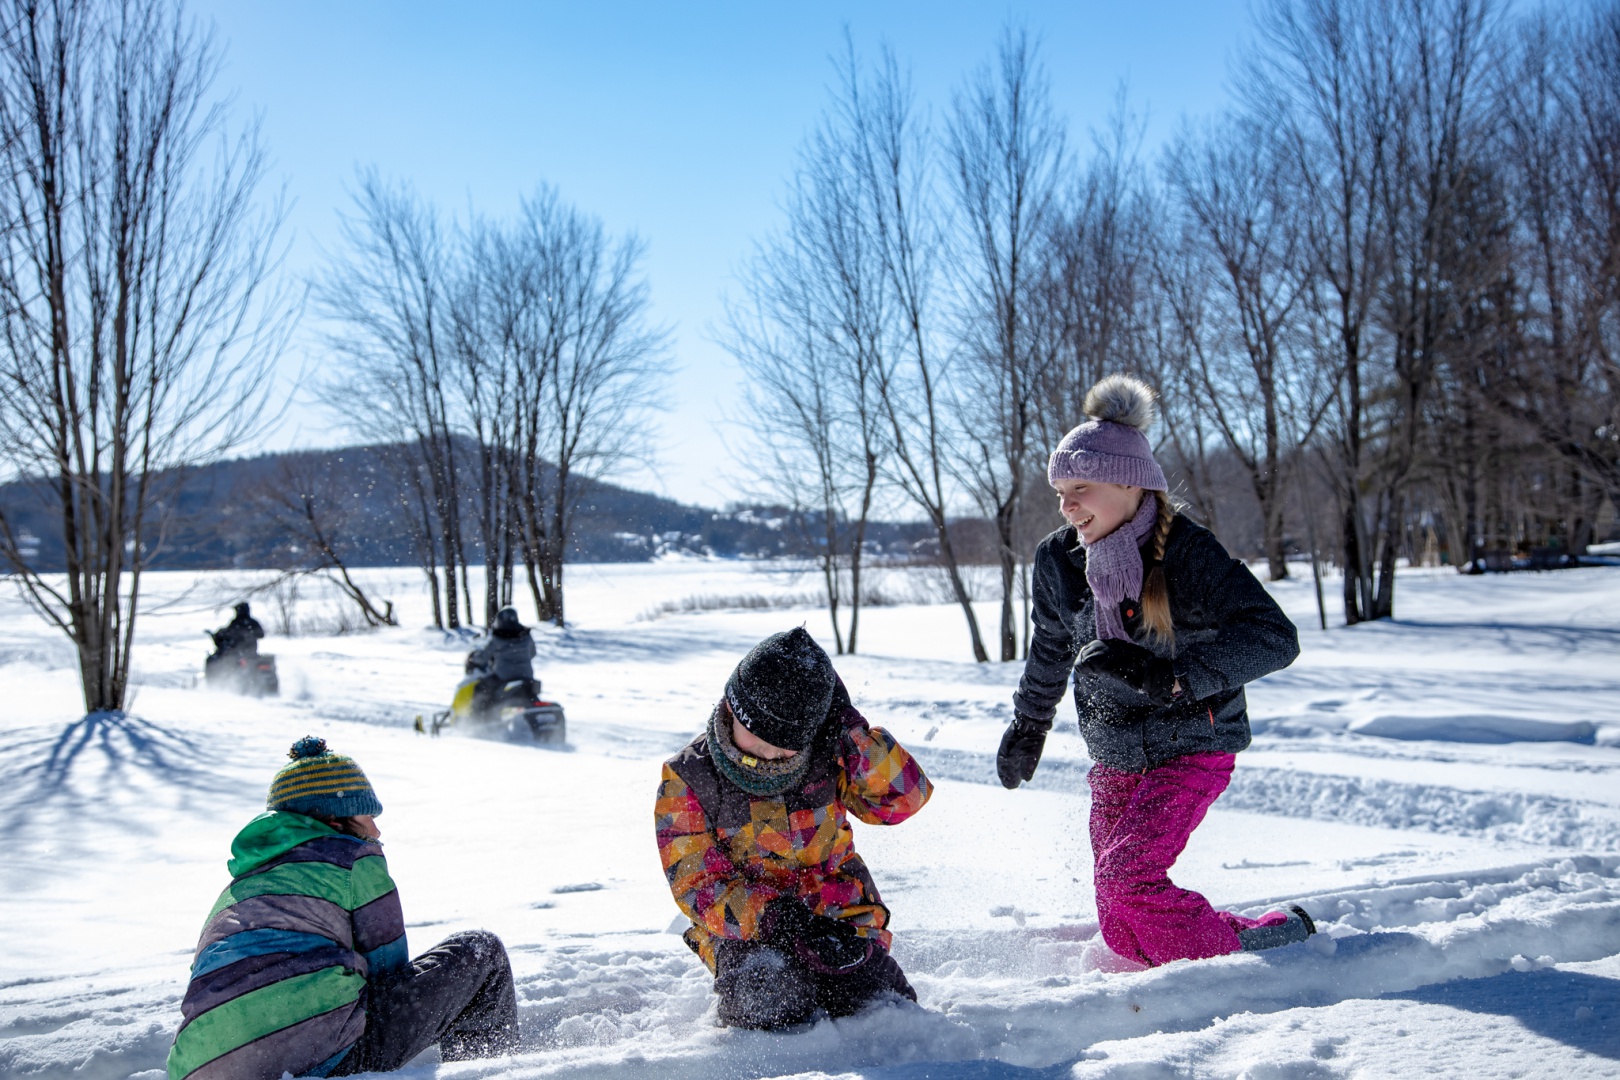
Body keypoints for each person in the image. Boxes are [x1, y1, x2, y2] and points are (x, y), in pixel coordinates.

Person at [997, 374, 1312, 968]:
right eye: (1060, 491)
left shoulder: (1188, 553)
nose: (1067, 506)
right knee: (1120, 924)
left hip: (1194, 742)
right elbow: (1050, 649)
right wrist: (1029, 724)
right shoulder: (1058, 560)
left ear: (1129, 482)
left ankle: (1253, 953)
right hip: (1115, 748)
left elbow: (1275, 637)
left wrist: (1171, 678)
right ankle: (1236, 939)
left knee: (1127, 880)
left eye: (1080, 488)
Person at [167, 737, 519, 1079]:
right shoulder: (350, 857)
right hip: (317, 1060)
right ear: (336, 822)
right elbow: (388, 971)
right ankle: (489, 1072)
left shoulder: (240, 887)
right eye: (366, 818)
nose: (377, 830)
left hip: (196, 1069)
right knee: (481, 952)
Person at [655, 628, 932, 1030]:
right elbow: (696, 883)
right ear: (732, 709)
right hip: (749, 931)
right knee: (769, 1006)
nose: (768, 754)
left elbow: (904, 799)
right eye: (759, 739)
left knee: (883, 1013)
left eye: (784, 746)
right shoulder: (689, 778)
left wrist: (854, 735)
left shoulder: (831, 751)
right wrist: (775, 919)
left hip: (839, 918)